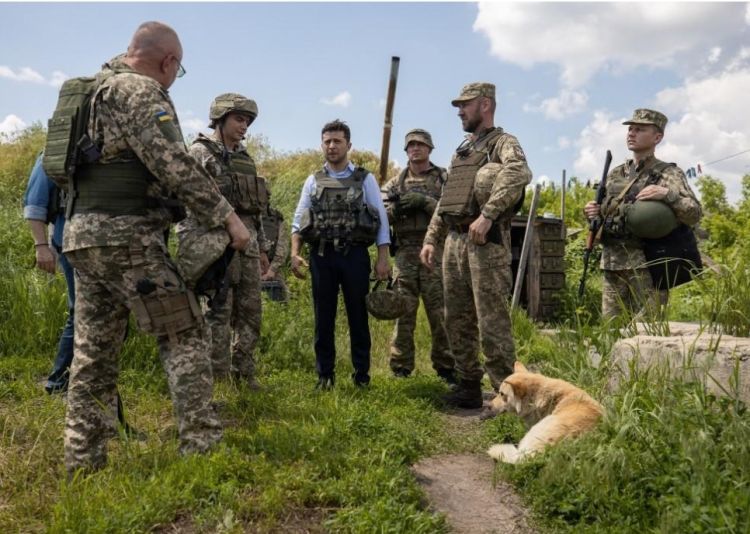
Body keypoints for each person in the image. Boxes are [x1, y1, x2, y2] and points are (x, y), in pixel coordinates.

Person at [61, 21, 251, 475]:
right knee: (184, 333)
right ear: (168, 62)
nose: (172, 80)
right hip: (129, 238)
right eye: (176, 71)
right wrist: (228, 218)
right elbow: (174, 164)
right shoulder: (138, 92)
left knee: (93, 353)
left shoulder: (90, 94)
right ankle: (200, 447)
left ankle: (83, 462)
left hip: (83, 237)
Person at [420, 82, 532, 408]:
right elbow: (447, 198)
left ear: (485, 105)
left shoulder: (503, 143)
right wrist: (431, 239)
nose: (459, 111)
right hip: (454, 242)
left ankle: (506, 396)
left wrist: (488, 214)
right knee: (456, 317)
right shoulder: (463, 150)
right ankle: (468, 384)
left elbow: (519, 172)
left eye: (465, 105)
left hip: (486, 242)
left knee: (492, 320)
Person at [176, 93, 269, 388]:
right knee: (218, 311)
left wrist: (263, 247)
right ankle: (219, 379)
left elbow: (257, 208)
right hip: (215, 246)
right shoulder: (199, 154)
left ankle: (245, 372)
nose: (244, 126)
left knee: (251, 311)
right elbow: (191, 203)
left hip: (249, 245)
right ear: (220, 118)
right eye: (239, 119)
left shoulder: (245, 159)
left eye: (248, 121)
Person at [290, 119, 390, 389]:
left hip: (354, 256)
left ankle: (361, 377)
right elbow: (299, 220)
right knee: (324, 318)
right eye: (327, 141)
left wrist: (383, 258)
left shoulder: (365, 179)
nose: (332, 146)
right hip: (322, 257)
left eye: (337, 141)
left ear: (349, 145)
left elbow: (381, 219)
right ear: (322, 144)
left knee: (359, 317)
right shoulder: (313, 180)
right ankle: (325, 376)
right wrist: (294, 253)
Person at [583, 108, 702, 319]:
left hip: (648, 266)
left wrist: (667, 194)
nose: (631, 133)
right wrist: (593, 213)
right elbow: (608, 214)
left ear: (657, 137)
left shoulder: (668, 173)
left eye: (639, 129)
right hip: (612, 264)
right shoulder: (615, 173)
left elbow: (694, 213)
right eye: (630, 129)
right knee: (611, 330)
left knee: (647, 332)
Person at [381, 129, 455, 383]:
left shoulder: (444, 178)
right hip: (405, 252)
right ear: (406, 151)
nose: (415, 148)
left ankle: (447, 367)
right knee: (404, 312)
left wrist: (425, 202)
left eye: (420, 144)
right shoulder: (394, 183)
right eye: (411, 145)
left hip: (435, 250)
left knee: (441, 313)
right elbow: (380, 215)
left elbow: (452, 210)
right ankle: (400, 366)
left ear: (430, 148)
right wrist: (397, 210)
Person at [23, 153, 74, 394]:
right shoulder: (54, 150)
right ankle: (59, 382)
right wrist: (41, 247)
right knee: (81, 312)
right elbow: (34, 203)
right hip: (70, 244)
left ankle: (76, 379)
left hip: (106, 246)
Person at [259, 176, 291, 302]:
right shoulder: (243, 217)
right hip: (249, 269)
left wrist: (272, 270)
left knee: (282, 302)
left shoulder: (276, 218)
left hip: (273, 270)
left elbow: (282, 246)